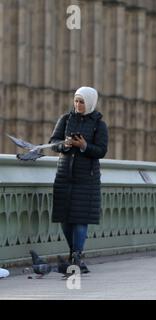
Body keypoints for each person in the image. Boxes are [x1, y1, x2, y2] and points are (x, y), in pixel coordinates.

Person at [49, 86, 108, 273]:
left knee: (80, 219)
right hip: (65, 174)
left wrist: (84, 146)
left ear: (90, 102)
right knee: (65, 219)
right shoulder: (65, 119)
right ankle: (74, 256)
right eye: (76, 100)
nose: (78, 104)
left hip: (86, 178)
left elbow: (101, 150)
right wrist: (64, 145)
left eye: (81, 101)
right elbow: (53, 142)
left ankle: (77, 255)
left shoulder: (99, 124)